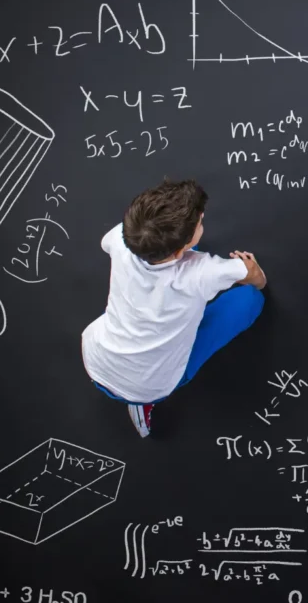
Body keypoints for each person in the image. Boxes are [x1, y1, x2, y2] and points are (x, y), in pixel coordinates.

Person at [81, 179, 267, 437]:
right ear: (180, 251)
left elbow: (110, 244)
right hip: (150, 386)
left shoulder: (119, 237)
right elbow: (256, 277)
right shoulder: (204, 272)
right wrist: (251, 267)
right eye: (199, 222)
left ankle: (138, 394)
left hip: (97, 360)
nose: (202, 220)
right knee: (251, 299)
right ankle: (142, 403)